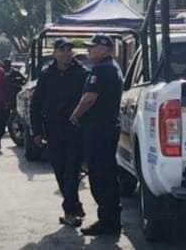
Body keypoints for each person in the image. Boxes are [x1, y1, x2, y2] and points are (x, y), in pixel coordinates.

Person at [30, 38, 90, 226]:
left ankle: (70, 212)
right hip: (53, 130)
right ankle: (74, 204)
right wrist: (37, 131)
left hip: (75, 130)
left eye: (68, 50)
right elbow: (36, 104)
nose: (66, 54)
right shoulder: (47, 75)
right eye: (62, 50)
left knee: (72, 170)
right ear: (54, 53)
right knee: (59, 169)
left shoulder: (82, 73)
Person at [69, 33, 124, 237]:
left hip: (99, 129)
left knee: (100, 176)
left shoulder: (102, 70)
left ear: (105, 49)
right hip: (106, 128)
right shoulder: (111, 67)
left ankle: (107, 221)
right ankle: (111, 219)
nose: (88, 50)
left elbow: (90, 98)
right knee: (106, 174)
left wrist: (75, 115)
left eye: (92, 47)